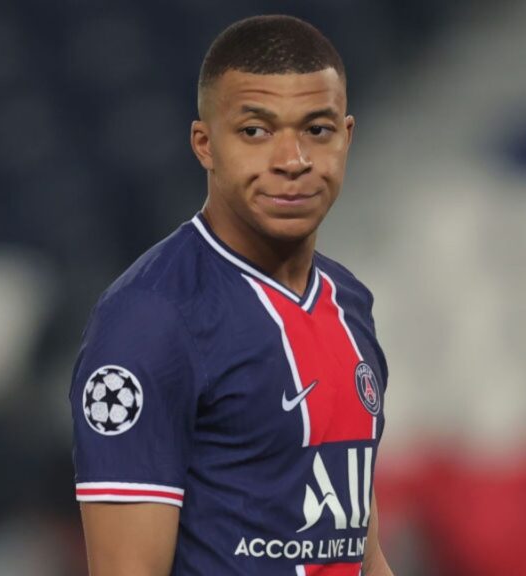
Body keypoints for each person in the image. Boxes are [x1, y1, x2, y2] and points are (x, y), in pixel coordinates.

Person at [69, 15, 393, 576]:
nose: (292, 160)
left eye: (317, 130)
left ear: (347, 136)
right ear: (205, 144)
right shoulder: (149, 321)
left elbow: (358, 548)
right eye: (256, 131)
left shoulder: (349, 304)